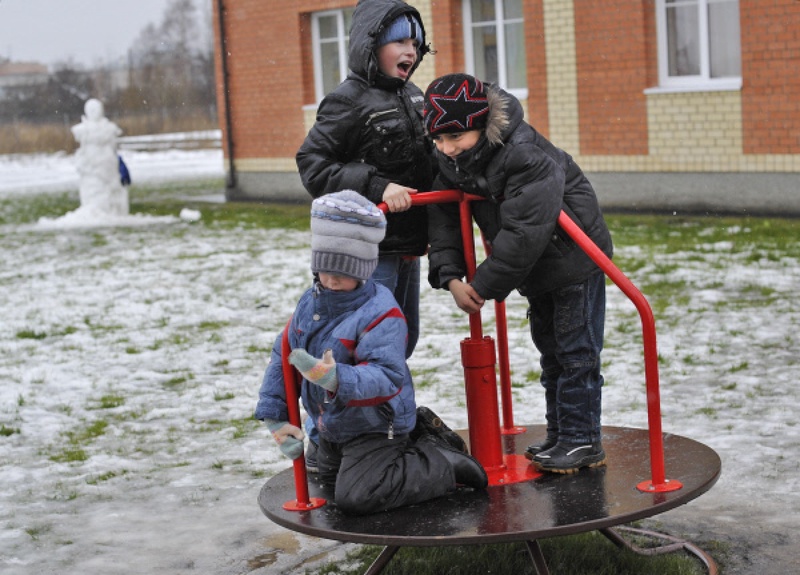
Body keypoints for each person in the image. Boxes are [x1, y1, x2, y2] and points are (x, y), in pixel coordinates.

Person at [422, 73, 614, 474]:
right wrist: (451, 275)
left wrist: (483, 284)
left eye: (455, 136)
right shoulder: (456, 159)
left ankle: (582, 439)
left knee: (576, 354)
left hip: (574, 260)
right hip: (537, 268)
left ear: (481, 124)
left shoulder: (523, 153)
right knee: (552, 353)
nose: (446, 148)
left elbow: (526, 230)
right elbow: (443, 218)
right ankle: (562, 434)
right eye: (437, 138)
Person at [255, 190, 487, 516]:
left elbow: (387, 375)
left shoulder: (380, 311)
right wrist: (275, 417)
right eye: (324, 268)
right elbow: (284, 353)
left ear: (363, 269)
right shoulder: (311, 302)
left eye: (343, 271)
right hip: (335, 424)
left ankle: (441, 462)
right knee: (329, 481)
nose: (332, 279)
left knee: (358, 497)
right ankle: (404, 450)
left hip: (376, 424)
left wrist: (336, 378)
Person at [295, 0, 437, 472]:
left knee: (396, 343)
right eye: (399, 42)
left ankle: (376, 431)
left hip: (406, 246)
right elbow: (313, 165)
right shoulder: (348, 100)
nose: (410, 51)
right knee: (349, 349)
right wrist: (376, 186)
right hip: (365, 254)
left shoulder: (413, 97)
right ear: (371, 46)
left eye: (415, 43)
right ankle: (325, 440)